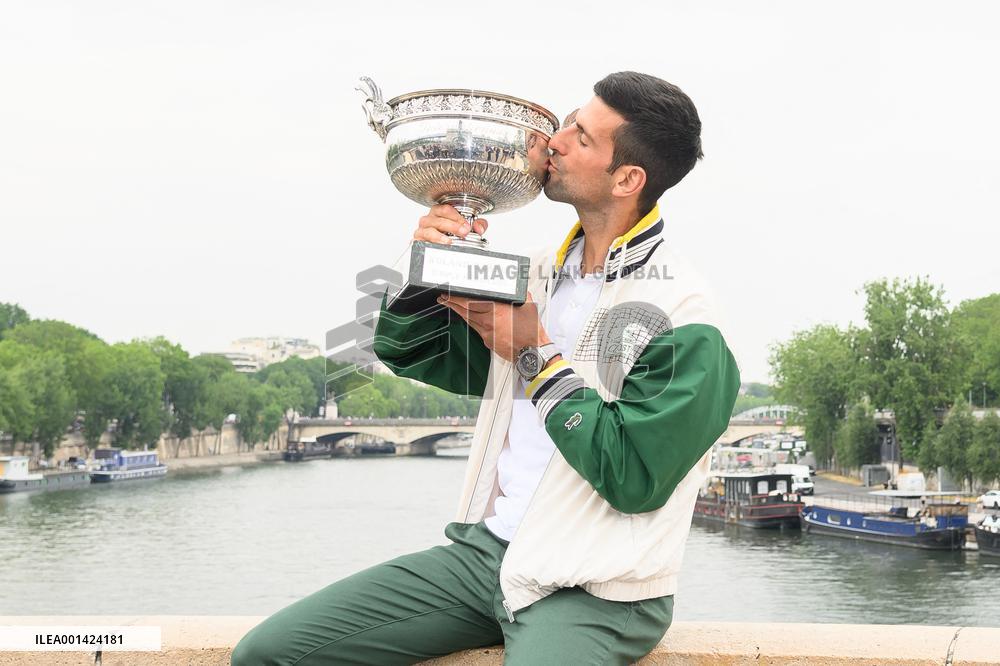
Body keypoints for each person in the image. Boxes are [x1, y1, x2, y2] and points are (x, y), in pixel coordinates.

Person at [232, 71, 740, 665]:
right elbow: (415, 349)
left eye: (581, 135)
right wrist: (430, 258)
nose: (555, 138)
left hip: (594, 590)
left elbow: (632, 478)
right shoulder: (535, 273)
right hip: (484, 557)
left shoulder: (685, 313)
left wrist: (534, 352)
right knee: (266, 655)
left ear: (627, 178)